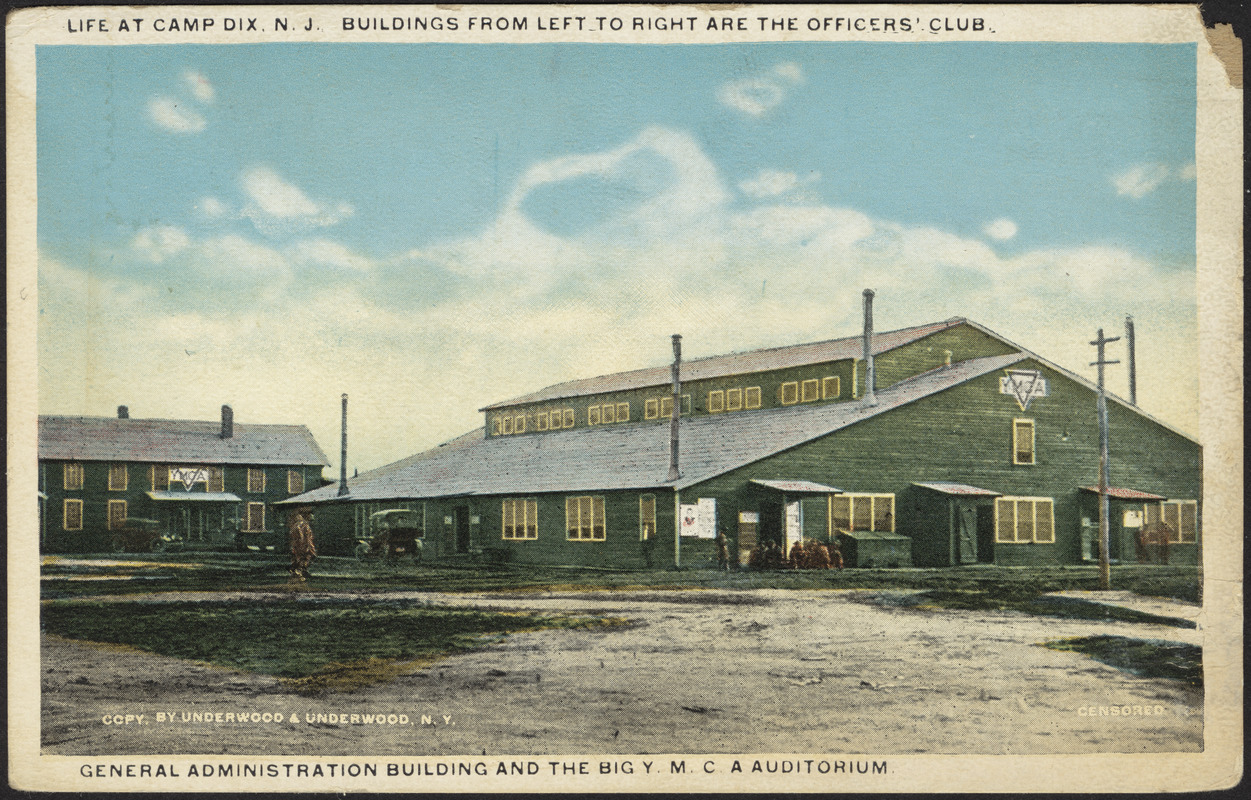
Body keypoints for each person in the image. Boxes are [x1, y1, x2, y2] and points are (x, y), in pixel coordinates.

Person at [289, 507, 316, 580]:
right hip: (303, 545)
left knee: (301, 559)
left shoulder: (298, 525)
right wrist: (307, 546)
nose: (312, 517)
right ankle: (299, 573)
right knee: (303, 559)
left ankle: (301, 572)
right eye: (311, 515)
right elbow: (303, 537)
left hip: (300, 545)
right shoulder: (303, 525)